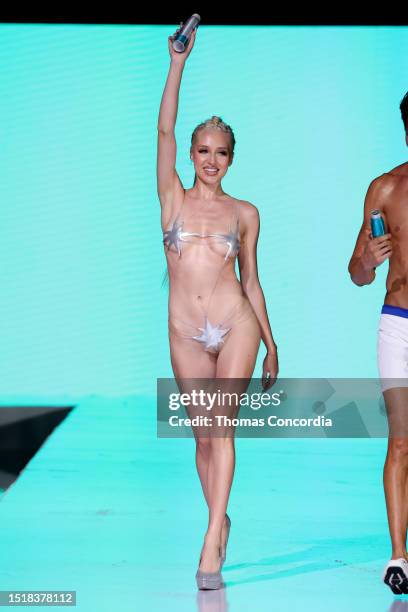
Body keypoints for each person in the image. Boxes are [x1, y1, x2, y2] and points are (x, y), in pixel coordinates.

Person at [157, 23, 279, 589]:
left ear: (232, 158)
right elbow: (161, 128)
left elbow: (251, 281)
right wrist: (177, 62)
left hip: (235, 324)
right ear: (190, 153)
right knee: (202, 436)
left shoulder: (245, 213)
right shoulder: (172, 198)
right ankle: (220, 515)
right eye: (202, 150)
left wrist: (272, 343)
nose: (211, 159)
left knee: (221, 430)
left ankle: (210, 539)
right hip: (185, 330)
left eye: (220, 152)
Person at [348, 91, 408, 594]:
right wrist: (368, 259)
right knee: (401, 439)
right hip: (399, 323)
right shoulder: (385, 189)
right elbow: (357, 272)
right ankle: (398, 557)